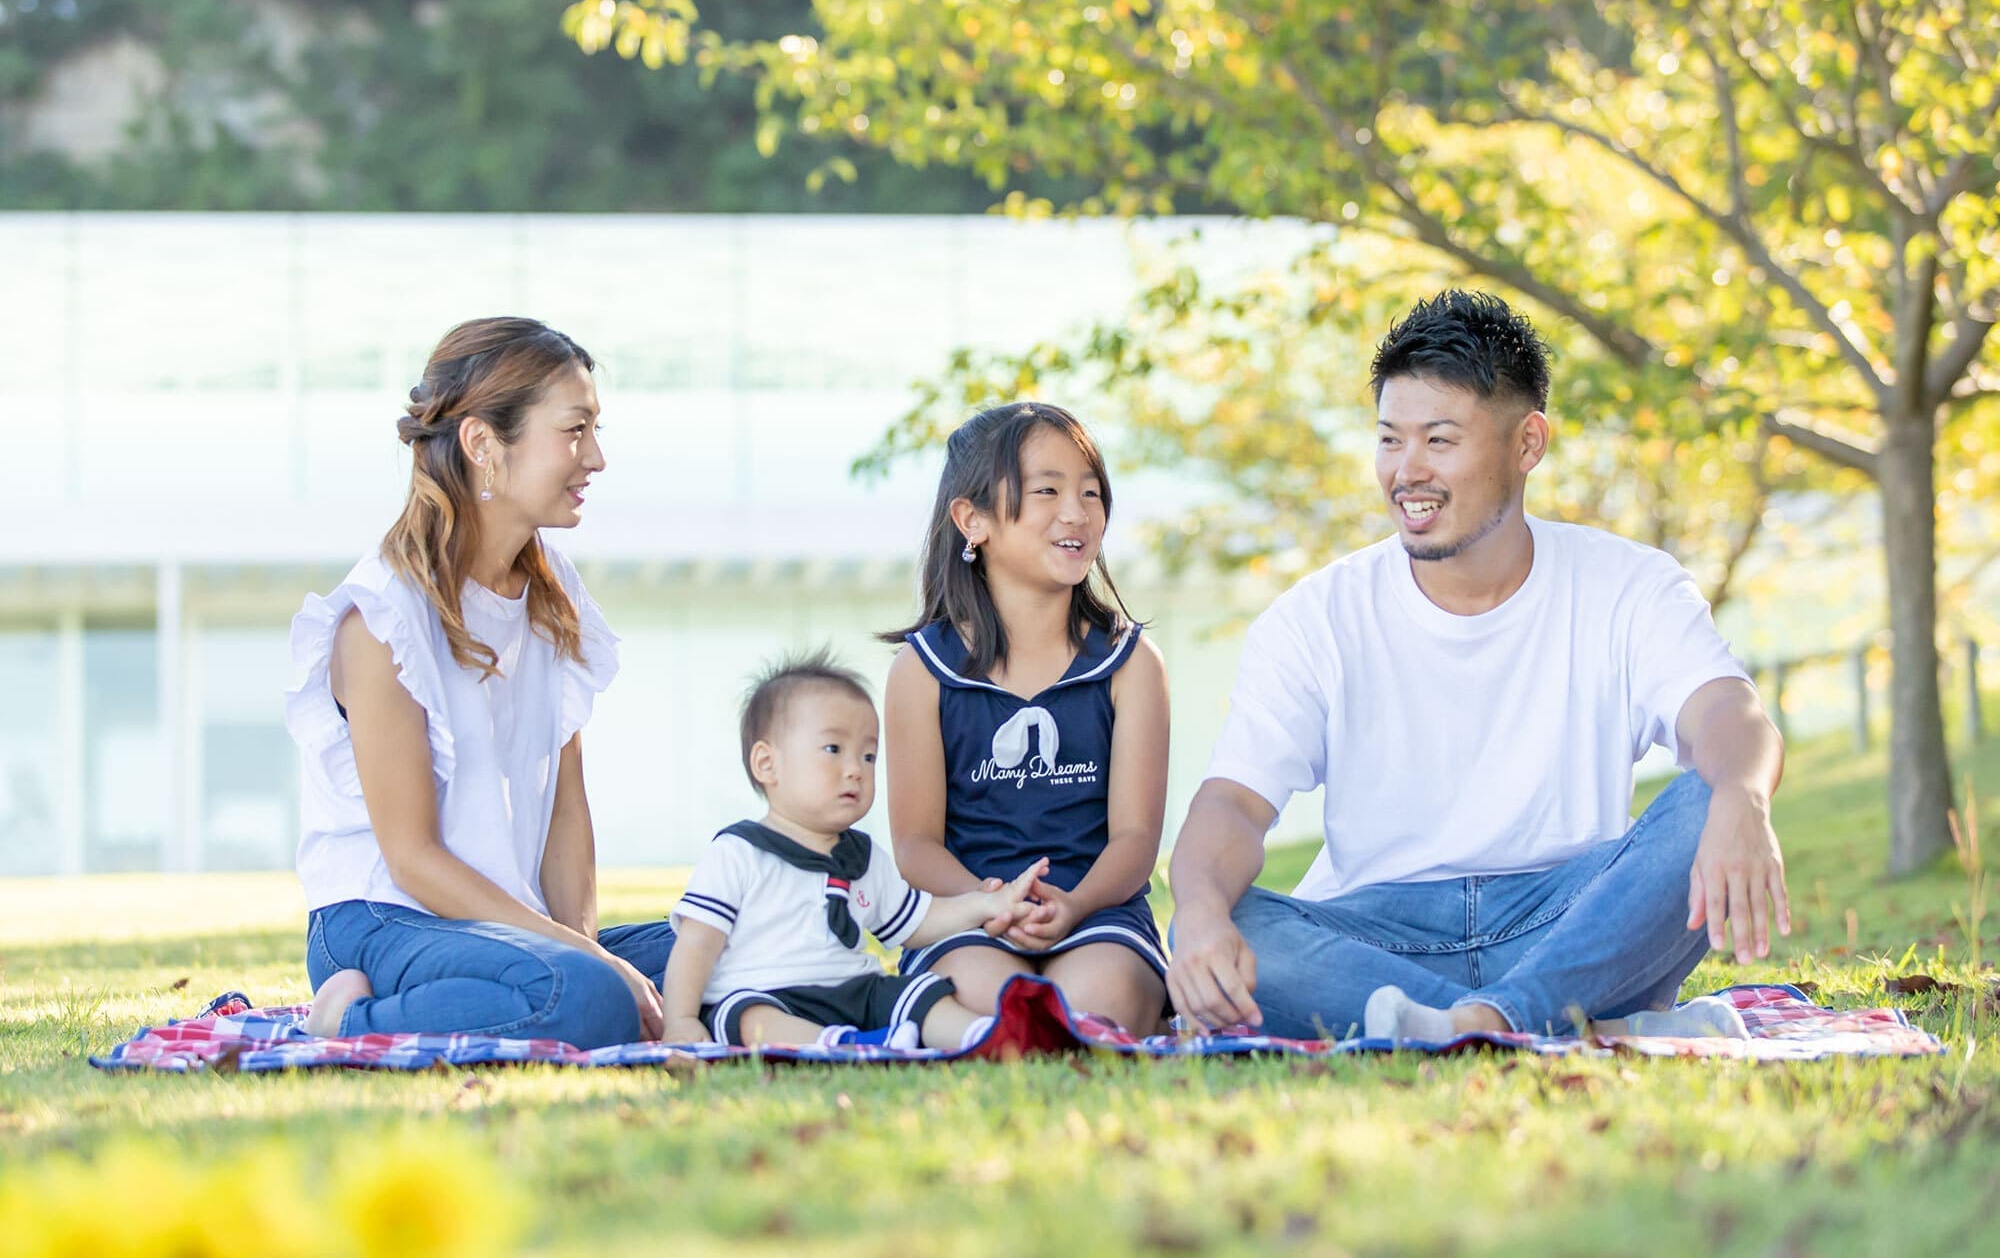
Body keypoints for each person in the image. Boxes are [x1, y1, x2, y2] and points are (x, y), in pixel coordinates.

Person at [1165, 290, 1789, 1043]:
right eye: (1390, 440)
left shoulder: (1628, 584)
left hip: (1569, 922)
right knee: (1226, 911)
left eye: (1440, 440)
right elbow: (1232, 802)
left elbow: (1727, 710)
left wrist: (1744, 798)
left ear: (1528, 444)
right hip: (1374, 937)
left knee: (1705, 806)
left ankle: (1482, 1019)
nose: (1407, 472)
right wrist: (1195, 913)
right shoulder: (1317, 615)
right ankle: (1550, 1016)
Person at [289, 316, 675, 1049]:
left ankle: (581, 987)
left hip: (501, 925)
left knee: (736, 946)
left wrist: (582, 943)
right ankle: (346, 1019)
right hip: (383, 917)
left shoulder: (553, 591)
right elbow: (412, 857)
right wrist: (586, 967)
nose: (595, 456)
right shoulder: (384, 617)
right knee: (585, 995)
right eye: (575, 430)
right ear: (482, 444)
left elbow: (566, 808)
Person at [881, 403, 1172, 1036]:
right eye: (1048, 490)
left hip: (1099, 913)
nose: (1077, 512)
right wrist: (991, 904)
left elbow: (1134, 840)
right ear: (973, 520)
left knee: (1100, 996)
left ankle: (1046, 1029)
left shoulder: (1131, 663)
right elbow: (916, 846)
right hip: (972, 915)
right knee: (989, 990)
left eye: (1091, 492)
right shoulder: (922, 669)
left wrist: (1074, 906)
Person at [661, 652, 1046, 1049]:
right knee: (739, 1015)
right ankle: (839, 1044)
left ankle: (984, 1035)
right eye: (833, 749)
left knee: (916, 993)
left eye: (868, 755)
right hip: (770, 994)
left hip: (856, 991)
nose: (855, 769)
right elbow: (697, 943)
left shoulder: (864, 857)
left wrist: (986, 904)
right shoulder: (738, 853)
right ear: (767, 764)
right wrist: (681, 1019)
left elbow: (916, 922)